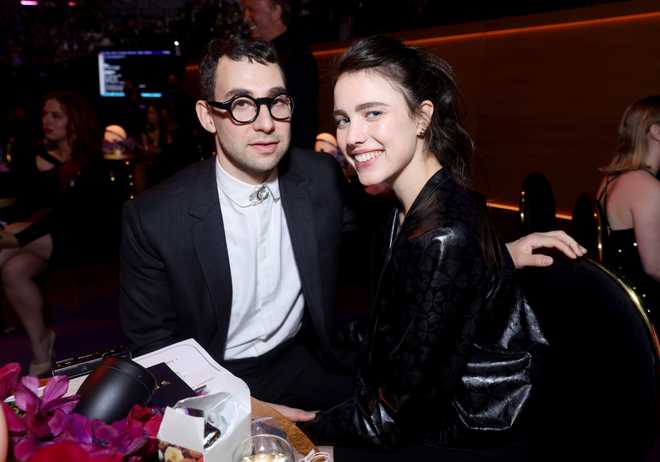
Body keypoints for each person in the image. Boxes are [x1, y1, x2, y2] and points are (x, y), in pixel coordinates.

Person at [119, 37, 584, 418]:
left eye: (276, 102)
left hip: (304, 359)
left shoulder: (319, 180)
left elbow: (422, 242)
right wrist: (234, 404)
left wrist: (495, 253)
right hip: (211, 374)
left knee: (396, 424)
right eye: (241, 104)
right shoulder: (155, 217)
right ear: (207, 116)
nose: (264, 122)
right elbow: (156, 352)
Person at [290, 36, 586, 461]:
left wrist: (295, 427)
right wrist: (497, 258)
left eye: (373, 113)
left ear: (422, 117)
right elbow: (407, 313)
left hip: (468, 434)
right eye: (342, 119)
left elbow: (394, 418)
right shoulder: (411, 202)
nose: (352, 137)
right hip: (420, 408)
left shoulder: (443, 234)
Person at [0, 91, 120, 376]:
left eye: (56, 115)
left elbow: (76, 214)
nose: (47, 121)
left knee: (5, 252)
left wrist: (19, 237)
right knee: (13, 268)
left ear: (74, 120)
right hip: (45, 240)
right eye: (44, 114)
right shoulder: (34, 156)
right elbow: (27, 204)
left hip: (87, 238)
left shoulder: (92, 160)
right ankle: (41, 345)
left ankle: (39, 343)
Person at [597, 96, 660, 324]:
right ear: (656, 132)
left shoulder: (610, 180)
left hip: (618, 299)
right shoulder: (646, 186)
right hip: (645, 309)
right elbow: (655, 267)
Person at [242, 0, 319, 149]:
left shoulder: (292, 57)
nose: (246, 18)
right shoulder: (276, 53)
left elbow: (300, 121)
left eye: (252, 10)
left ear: (277, 11)